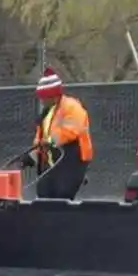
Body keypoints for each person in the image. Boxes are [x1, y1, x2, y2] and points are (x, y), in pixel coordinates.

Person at [29, 69, 93, 200]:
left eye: (43, 97)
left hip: (71, 161)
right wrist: (31, 157)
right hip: (51, 165)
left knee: (62, 197)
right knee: (43, 194)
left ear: (53, 95)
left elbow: (72, 130)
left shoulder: (72, 107)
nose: (41, 101)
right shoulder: (46, 114)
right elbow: (40, 138)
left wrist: (51, 141)